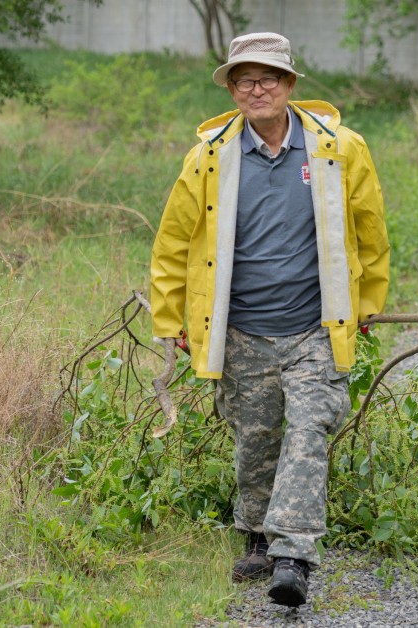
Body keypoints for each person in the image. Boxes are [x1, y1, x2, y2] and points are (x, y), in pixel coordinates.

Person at [150, 32, 390, 607]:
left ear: (290, 85)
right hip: (240, 329)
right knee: (255, 439)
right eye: (244, 80)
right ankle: (257, 538)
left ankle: (293, 557)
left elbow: (370, 228)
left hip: (315, 324)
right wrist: (171, 317)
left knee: (309, 431)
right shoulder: (209, 155)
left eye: (268, 79)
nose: (257, 90)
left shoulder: (339, 147)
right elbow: (174, 241)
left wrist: (365, 306)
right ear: (232, 89)